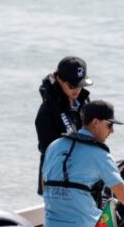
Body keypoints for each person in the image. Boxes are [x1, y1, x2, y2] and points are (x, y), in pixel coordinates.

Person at [36, 56, 93, 194]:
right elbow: (48, 151)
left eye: (81, 84)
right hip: (56, 178)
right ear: (59, 79)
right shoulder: (47, 111)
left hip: (83, 175)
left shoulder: (84, 102)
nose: (77, 90)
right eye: (72, 85)